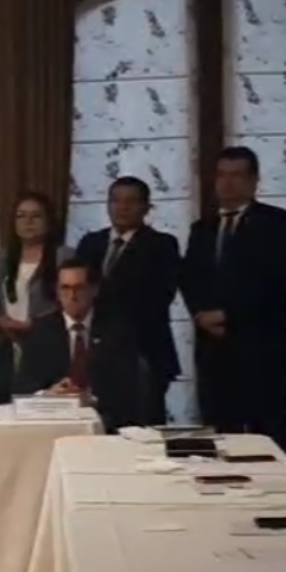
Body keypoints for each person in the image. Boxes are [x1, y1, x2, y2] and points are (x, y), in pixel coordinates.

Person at [182, 147, 286, 450]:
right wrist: (199, 313)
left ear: (253, 181)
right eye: (221, 175)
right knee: (221, 435)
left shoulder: (276, 222)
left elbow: (271, 279)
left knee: (267, 434)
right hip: (214, 350)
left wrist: (228, 315)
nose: (227, 183)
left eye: (236, 175)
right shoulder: (203, 228)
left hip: (262, 348)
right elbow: (190, 278)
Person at [76, 177, 182, 423]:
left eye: (131, 201)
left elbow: (159, 296)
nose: (122, 207)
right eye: (116, 200)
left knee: (145, 424)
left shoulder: (162, 245)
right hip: (97, 350)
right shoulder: (91, 243)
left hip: (143, 348)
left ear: (146, 207)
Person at [18, 259, 148, 430]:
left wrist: (90, 399)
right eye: (65, 288)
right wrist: (48, 396)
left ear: (94, 290)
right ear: (56, 292)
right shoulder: (40, 331)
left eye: (79, 288)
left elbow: (127, 390)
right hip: (53, 422)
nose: (72, 296)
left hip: (107, 424)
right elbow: (23, 386)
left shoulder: (118, 330)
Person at [0, 192, 73, 338]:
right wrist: (0, 320)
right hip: (9, 337)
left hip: (50, 336)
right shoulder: (3, 257)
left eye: (36, 216)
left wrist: (35, 325)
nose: (28, 222)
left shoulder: (63, 256)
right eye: (21, 216)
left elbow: (73, 303)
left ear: (48, 221)